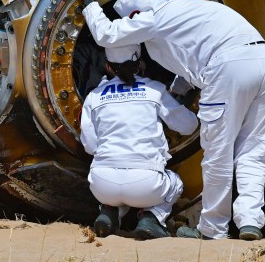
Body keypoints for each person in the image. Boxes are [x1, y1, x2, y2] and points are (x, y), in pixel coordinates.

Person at [72, 0, 265, 241]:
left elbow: (106, 35)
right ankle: (250, 221)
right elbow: (189, 59)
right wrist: (173, 94)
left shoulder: (153, 17)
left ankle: (213, 229)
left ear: (136, 14)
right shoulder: (188, 9)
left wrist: (90, 0)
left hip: (228, 68)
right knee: (253, 149)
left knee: (218, 152)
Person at [80, 43, 198, 239]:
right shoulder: (155, 90)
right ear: (141, 64)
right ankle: (151, 218)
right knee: (175, 183)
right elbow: (188, 126)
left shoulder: (94, 96)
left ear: (108, 67)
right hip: (146, 184)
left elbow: (90, 146)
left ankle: (110, 212)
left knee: (117, 185)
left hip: (101, 185)